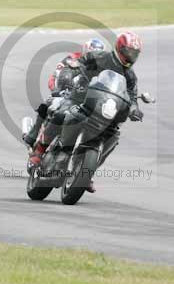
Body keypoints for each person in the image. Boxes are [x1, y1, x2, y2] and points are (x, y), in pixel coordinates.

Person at [28, 31, 144, 193]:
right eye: (129, 52)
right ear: (120, 48)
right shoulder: (99, 57)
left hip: (103, 107)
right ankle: (39, 151)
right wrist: (70, 73)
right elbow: (77, 63)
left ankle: (87, 173)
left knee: (113, 135)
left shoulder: (130, 75)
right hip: (80, 97)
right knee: (59, 112)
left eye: (135, 53)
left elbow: (131, 95)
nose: (131, 56)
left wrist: (134, 109)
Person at [22, 38, 105, 148]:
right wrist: (60, 89)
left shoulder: (102, 67)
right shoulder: (73, 59)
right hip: (65, 91)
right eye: (92, 54)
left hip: (87, 98)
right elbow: (58, 75)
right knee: (50, 104)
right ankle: (33, 135)